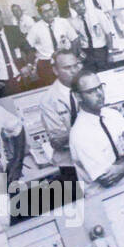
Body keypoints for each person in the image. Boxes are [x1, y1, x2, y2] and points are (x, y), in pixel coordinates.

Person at [68, 71, 124, 195]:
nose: (99, 94)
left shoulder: (113, 115)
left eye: (100, 87)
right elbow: (107, 180)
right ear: (78, 96)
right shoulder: (80, 134)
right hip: (103, 197)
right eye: (91, 91)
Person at [38, 50, 83, 194]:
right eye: (67, 68)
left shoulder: (88, 86)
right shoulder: (48, 100)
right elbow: (58, 140)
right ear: (55, 70)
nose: (74, 71)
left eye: (76, 66)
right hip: (70, 164)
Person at [0, 4, 35, 98]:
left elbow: (29, 50)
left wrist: (29, 66)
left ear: (1, 15)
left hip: (19, 80)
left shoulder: (13, 31)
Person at [26, 0, 77, 86]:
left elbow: (75, 39)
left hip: (64, 60)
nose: (49, 14)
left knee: (70, 85)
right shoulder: (35, 28)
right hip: (46, 64)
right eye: (45, 12)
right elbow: (28, 47)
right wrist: (30, 65)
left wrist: (74, 56)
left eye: (50, 10)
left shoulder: (63, 22)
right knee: (51, 87)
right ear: (40, 14)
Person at [66, 0, 115, 71]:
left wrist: (110, 53)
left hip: (101, 51)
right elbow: (77, 40)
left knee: (106, 74)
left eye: (80, 2)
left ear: (84, 2)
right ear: (72, 7)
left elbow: (108, 34)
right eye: (75, 4)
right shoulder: (73, 21)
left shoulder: (97, 13)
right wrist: (80, 54)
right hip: (87, 53)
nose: (79, 6)